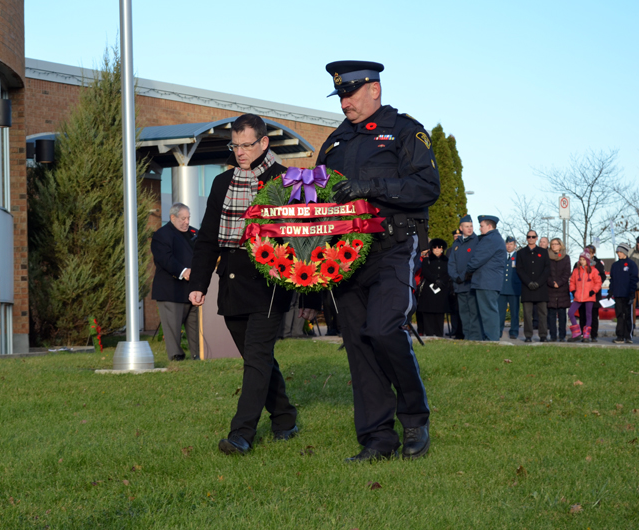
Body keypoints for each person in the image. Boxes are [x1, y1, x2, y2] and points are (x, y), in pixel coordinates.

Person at [318, 60, 439, 462]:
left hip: (393, 246)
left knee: (385, 329)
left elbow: (427, 186)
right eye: (340, 96)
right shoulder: (334, 142)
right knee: (358, 343)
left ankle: (415, 417)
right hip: (345, 256)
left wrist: (370, 187)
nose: (345, 103)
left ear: (374, 89)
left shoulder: (405, 131)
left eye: (350, 94)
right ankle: (378, 438)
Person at [188, 114, 317, 455]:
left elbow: (302, 235)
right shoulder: (222, 182)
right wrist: (198, 282)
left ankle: (241, 434)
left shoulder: (286, 181)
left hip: (270, 283)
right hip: (230, 281)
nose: (240, 152)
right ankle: (285, 418)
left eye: (247, 145)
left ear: (263, 143)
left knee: (256, 358)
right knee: (257, 359)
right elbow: (207, 238)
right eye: (235, 145)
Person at [150, 203, 200, 361]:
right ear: (172, 218)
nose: (186, 222)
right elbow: (165, 258)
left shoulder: (193, 233)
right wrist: (184, 271)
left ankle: (197, 356)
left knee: (195, 327)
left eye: (188, 218)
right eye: (183, 218)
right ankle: (176, 357)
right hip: (170, 291)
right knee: (173, 328)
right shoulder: (162, 235)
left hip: (192, 291)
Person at [465, 215, 506, 341]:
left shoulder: (490, 239)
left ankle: (492, 339)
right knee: (487, 311)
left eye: (481, 226)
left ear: (489, 226)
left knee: (488, 312)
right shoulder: (494, 238)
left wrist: (466, 271)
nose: (479, 228)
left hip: (486, 282)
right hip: (488, 281)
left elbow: (477, 259)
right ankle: (487, 338)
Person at [448, 215, 482, 340]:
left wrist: (463, 276)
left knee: (473, 312)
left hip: (471, 283)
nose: (470, 228)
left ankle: (475, 338)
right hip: (459, 285)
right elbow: (451, 263)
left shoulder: (477, 241)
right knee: (463, 313)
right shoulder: (456, 243)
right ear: (461, 228)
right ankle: (467, 337)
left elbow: (475, 261)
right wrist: (455, 277)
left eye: (471, 226)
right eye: (467, 226)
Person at [516, 229, 550, 342]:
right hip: (527, 288)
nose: (531, 238)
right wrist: (528, 282)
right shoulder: (521, 253)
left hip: (541, 288)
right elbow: (519, 270)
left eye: (533, 236)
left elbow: (547, 269)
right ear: (526, 238)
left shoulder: (543, 252)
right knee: (527, 314)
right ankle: (528, 336)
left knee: (543, 314)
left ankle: (543, 335)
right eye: (529, 236)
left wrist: (538, 283)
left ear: (536, 238)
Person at [416, 239, 451, 337]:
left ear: (442, 249)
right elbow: (425, 271)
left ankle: (439, 333)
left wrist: (442, 281)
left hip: (442, 289)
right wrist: (435, 280)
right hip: (429, 288)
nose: (437, 249)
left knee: (439, 313)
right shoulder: (427, 260)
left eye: (439, 247)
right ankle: (429, 333)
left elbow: (448, 272)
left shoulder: (447, 260)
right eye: (435, 247)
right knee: (428, 312)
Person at [567, 250, 602, 342]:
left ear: (587, 260)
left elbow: (598, 282)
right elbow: (572, 282)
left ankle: (586, 335)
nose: (582, 261)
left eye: (583, 259)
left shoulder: (594, 270)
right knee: (570, 312)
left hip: (589, 297)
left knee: (588, 315)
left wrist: (593, 291)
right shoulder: (576, 270)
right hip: (578, 297)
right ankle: (576, 332)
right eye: (580, 259)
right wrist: (573, 290)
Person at [608, 242, 638, 344]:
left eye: (620, 251)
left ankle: (628, 336)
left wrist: (631, 293)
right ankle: (619, 336)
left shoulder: (631, 264)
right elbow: (612, 279)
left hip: (627, 294)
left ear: (625, 252)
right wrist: (610, 291)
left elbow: (634, 279)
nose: (618, 253)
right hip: (618, 294)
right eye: (617, 251)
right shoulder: (615, 265)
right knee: (619, 316)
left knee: (628, 316)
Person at [546, 238, 571, 342]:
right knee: (551, 315)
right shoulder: (547, 257)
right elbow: (545, 272)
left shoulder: (566, 257)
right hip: (550, 290)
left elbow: (567, 273)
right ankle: (552, 336)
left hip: (562, 290)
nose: (554, 246)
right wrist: (552, 283)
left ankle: (562, 336)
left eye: (556, 244)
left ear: (560, 245)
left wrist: (559, 283)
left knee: (562, 315)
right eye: (552, 244)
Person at [498, 236, 521, 339]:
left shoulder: (518, 257)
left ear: (515, 246)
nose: (509, 246)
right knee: (500, 312)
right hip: (502, 288)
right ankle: (498, 331)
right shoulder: (501, 256)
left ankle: (514, 331)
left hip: (514, 288)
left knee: (514, 312)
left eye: (511, 244)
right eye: (507, 244)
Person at [584, 244, 606, 342]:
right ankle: (584, 334)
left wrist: (593, 286)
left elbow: (602, 276)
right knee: (583, 315)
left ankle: (594, 335)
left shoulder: (598, 263)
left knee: (593, 316)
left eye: (589, 252)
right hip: (583, 294)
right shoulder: (580, 262)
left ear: (593, 253)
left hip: (594, 294)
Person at [447, 228, 464, 339]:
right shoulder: (449, 250)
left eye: (459, 236)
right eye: (455, 236)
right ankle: (454, 329)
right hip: (451, 283)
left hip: (461, 281)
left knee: (461, 308)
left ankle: (461, 331)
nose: (457, 237)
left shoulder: (463, 248)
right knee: (453, 309)